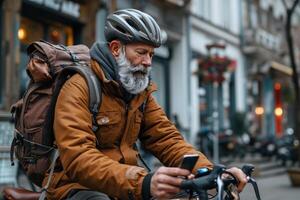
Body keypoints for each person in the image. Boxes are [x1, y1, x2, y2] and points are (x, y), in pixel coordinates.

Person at [45, 8, 247, 200]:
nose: (148, 62)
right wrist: (143, 182)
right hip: (75, 185)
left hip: (125, 185)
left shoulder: (139, 92)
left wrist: (212, 172)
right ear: (116, 49)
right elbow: (78, 157)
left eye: (151, 54)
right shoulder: (79, 86)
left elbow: (166, 139)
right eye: (141, 52)